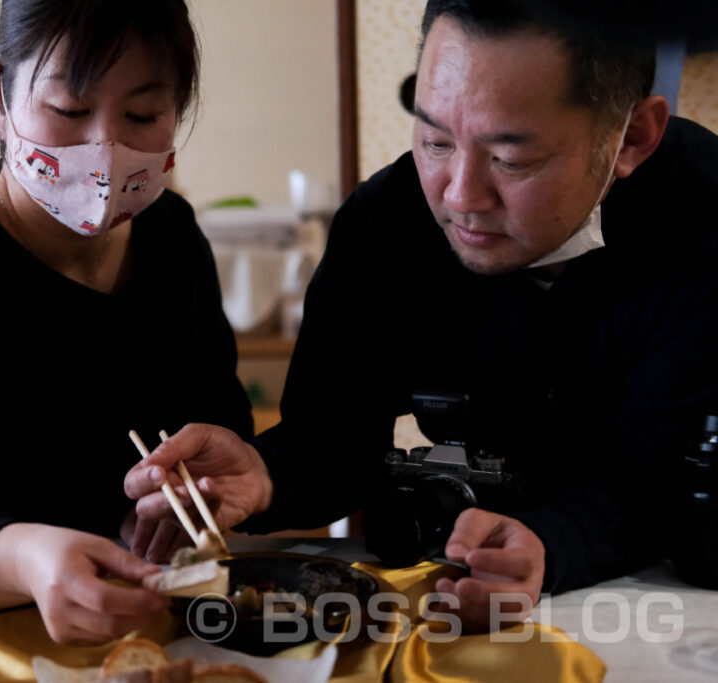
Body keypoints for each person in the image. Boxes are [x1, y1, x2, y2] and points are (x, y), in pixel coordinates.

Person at [125, 0, 718, 631]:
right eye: (435, 140)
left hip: (665, 598)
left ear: (632, 137)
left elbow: (657, 479)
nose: (459, 196)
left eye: (511, 160)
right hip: (463, 590)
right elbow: (335, 439)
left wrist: (552, 541)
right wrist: (266, 472)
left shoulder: (702, 219)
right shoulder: (386, 224)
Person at [0, 0, 252, 645]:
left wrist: (197, 491)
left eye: (142, 115)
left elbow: (219, 419)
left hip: (154, 624)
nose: (104, 150)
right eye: (70, 111)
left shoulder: (174, 239)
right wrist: (24, 558)